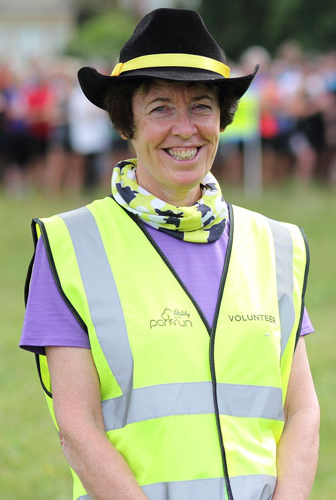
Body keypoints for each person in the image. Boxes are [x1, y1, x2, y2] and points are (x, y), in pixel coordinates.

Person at [19, 9, 319, 500]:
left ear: (222, 118)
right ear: (126, 123)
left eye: (201, 106)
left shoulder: (277, 245)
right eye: (160, 108)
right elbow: (77, 424)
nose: (185, 129)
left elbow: (302, 409)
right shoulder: (70, 245)